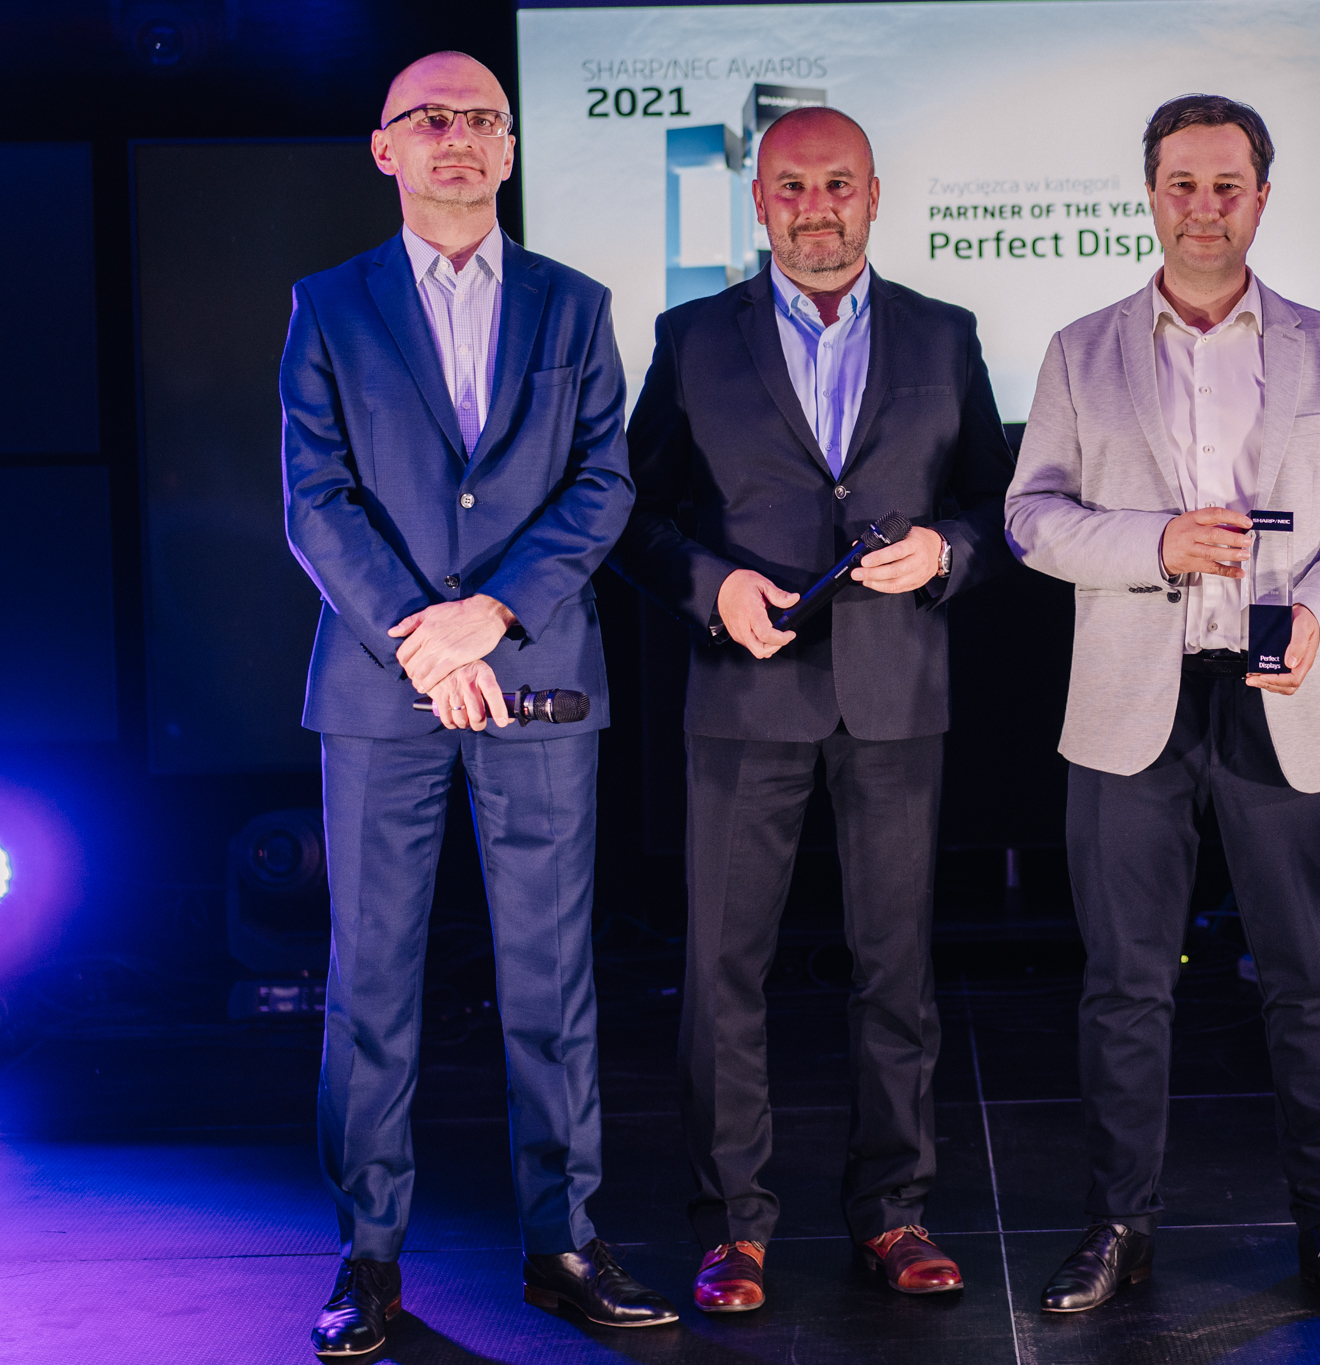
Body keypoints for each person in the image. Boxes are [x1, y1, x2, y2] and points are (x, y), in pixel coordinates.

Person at [281, 51, 677, 1358]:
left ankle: (563, 1245)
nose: (457, 136)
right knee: (371, 984)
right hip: (381, 682)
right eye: (430, 118)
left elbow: (602, 485)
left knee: (552, 978)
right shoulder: (327, 307)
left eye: (481, 119)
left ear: (509, 148)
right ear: (385, 147)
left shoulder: (576, 304)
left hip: (536, 670)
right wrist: (427, 640)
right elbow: (315, 500)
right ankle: (369, 1258)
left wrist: (492, 615)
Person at [607, 106, 1013, 1314]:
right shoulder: (692, 338)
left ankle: (893, 1212)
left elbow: (997, 508)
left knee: (895, 970)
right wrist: (709, 586)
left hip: (895, 694)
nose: (815, 208)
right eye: (791, 187)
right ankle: (732, 1228)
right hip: (744, 694)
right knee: (724, 973)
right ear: (758, 201)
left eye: (837, 184)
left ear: (874, 195)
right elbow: (631, 514)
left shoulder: (945, 332)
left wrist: (943, 551)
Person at [1006, 94, 1320, 1317]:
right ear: (1149, 195)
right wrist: (1156, 542)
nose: (1202, 207)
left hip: (1282, 691)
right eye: (1181, 184)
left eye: (1226, 185)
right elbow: (1028, 518)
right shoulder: (1079, 349)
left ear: (1261, 198)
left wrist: (1315, 613)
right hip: (1130, 700)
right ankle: (1118, 1228)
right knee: (1125, 988)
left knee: (1307, 981)